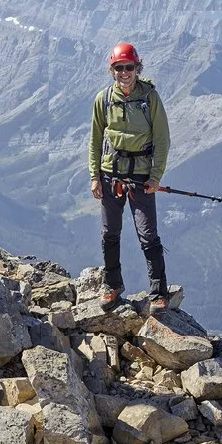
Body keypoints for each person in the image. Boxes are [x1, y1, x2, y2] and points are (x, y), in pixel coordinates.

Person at [89, 40, 172, 308]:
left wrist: (155, 177)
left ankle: (159, 292)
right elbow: (95, 140)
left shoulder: (150, 98)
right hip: (110, 176)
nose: (124, 72)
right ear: (112, 70)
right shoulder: (103, 100)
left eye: (129, 67)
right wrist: (94, 176)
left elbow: (162, 139)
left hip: (141, 178)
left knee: (148, 235)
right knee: (109, 233)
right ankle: (112, 285)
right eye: (119, 67)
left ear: (137, 68)